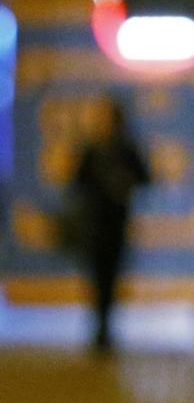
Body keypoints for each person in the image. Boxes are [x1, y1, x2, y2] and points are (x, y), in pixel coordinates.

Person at [69, 96, 150, 353]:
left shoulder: (125, 149)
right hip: (95, 223)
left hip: (115, 223)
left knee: (111, 277)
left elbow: (145, 177)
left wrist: (123, 183)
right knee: (98, 276)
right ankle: (100, 327)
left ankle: (105, 327)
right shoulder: (94, 149)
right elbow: (77, 181)